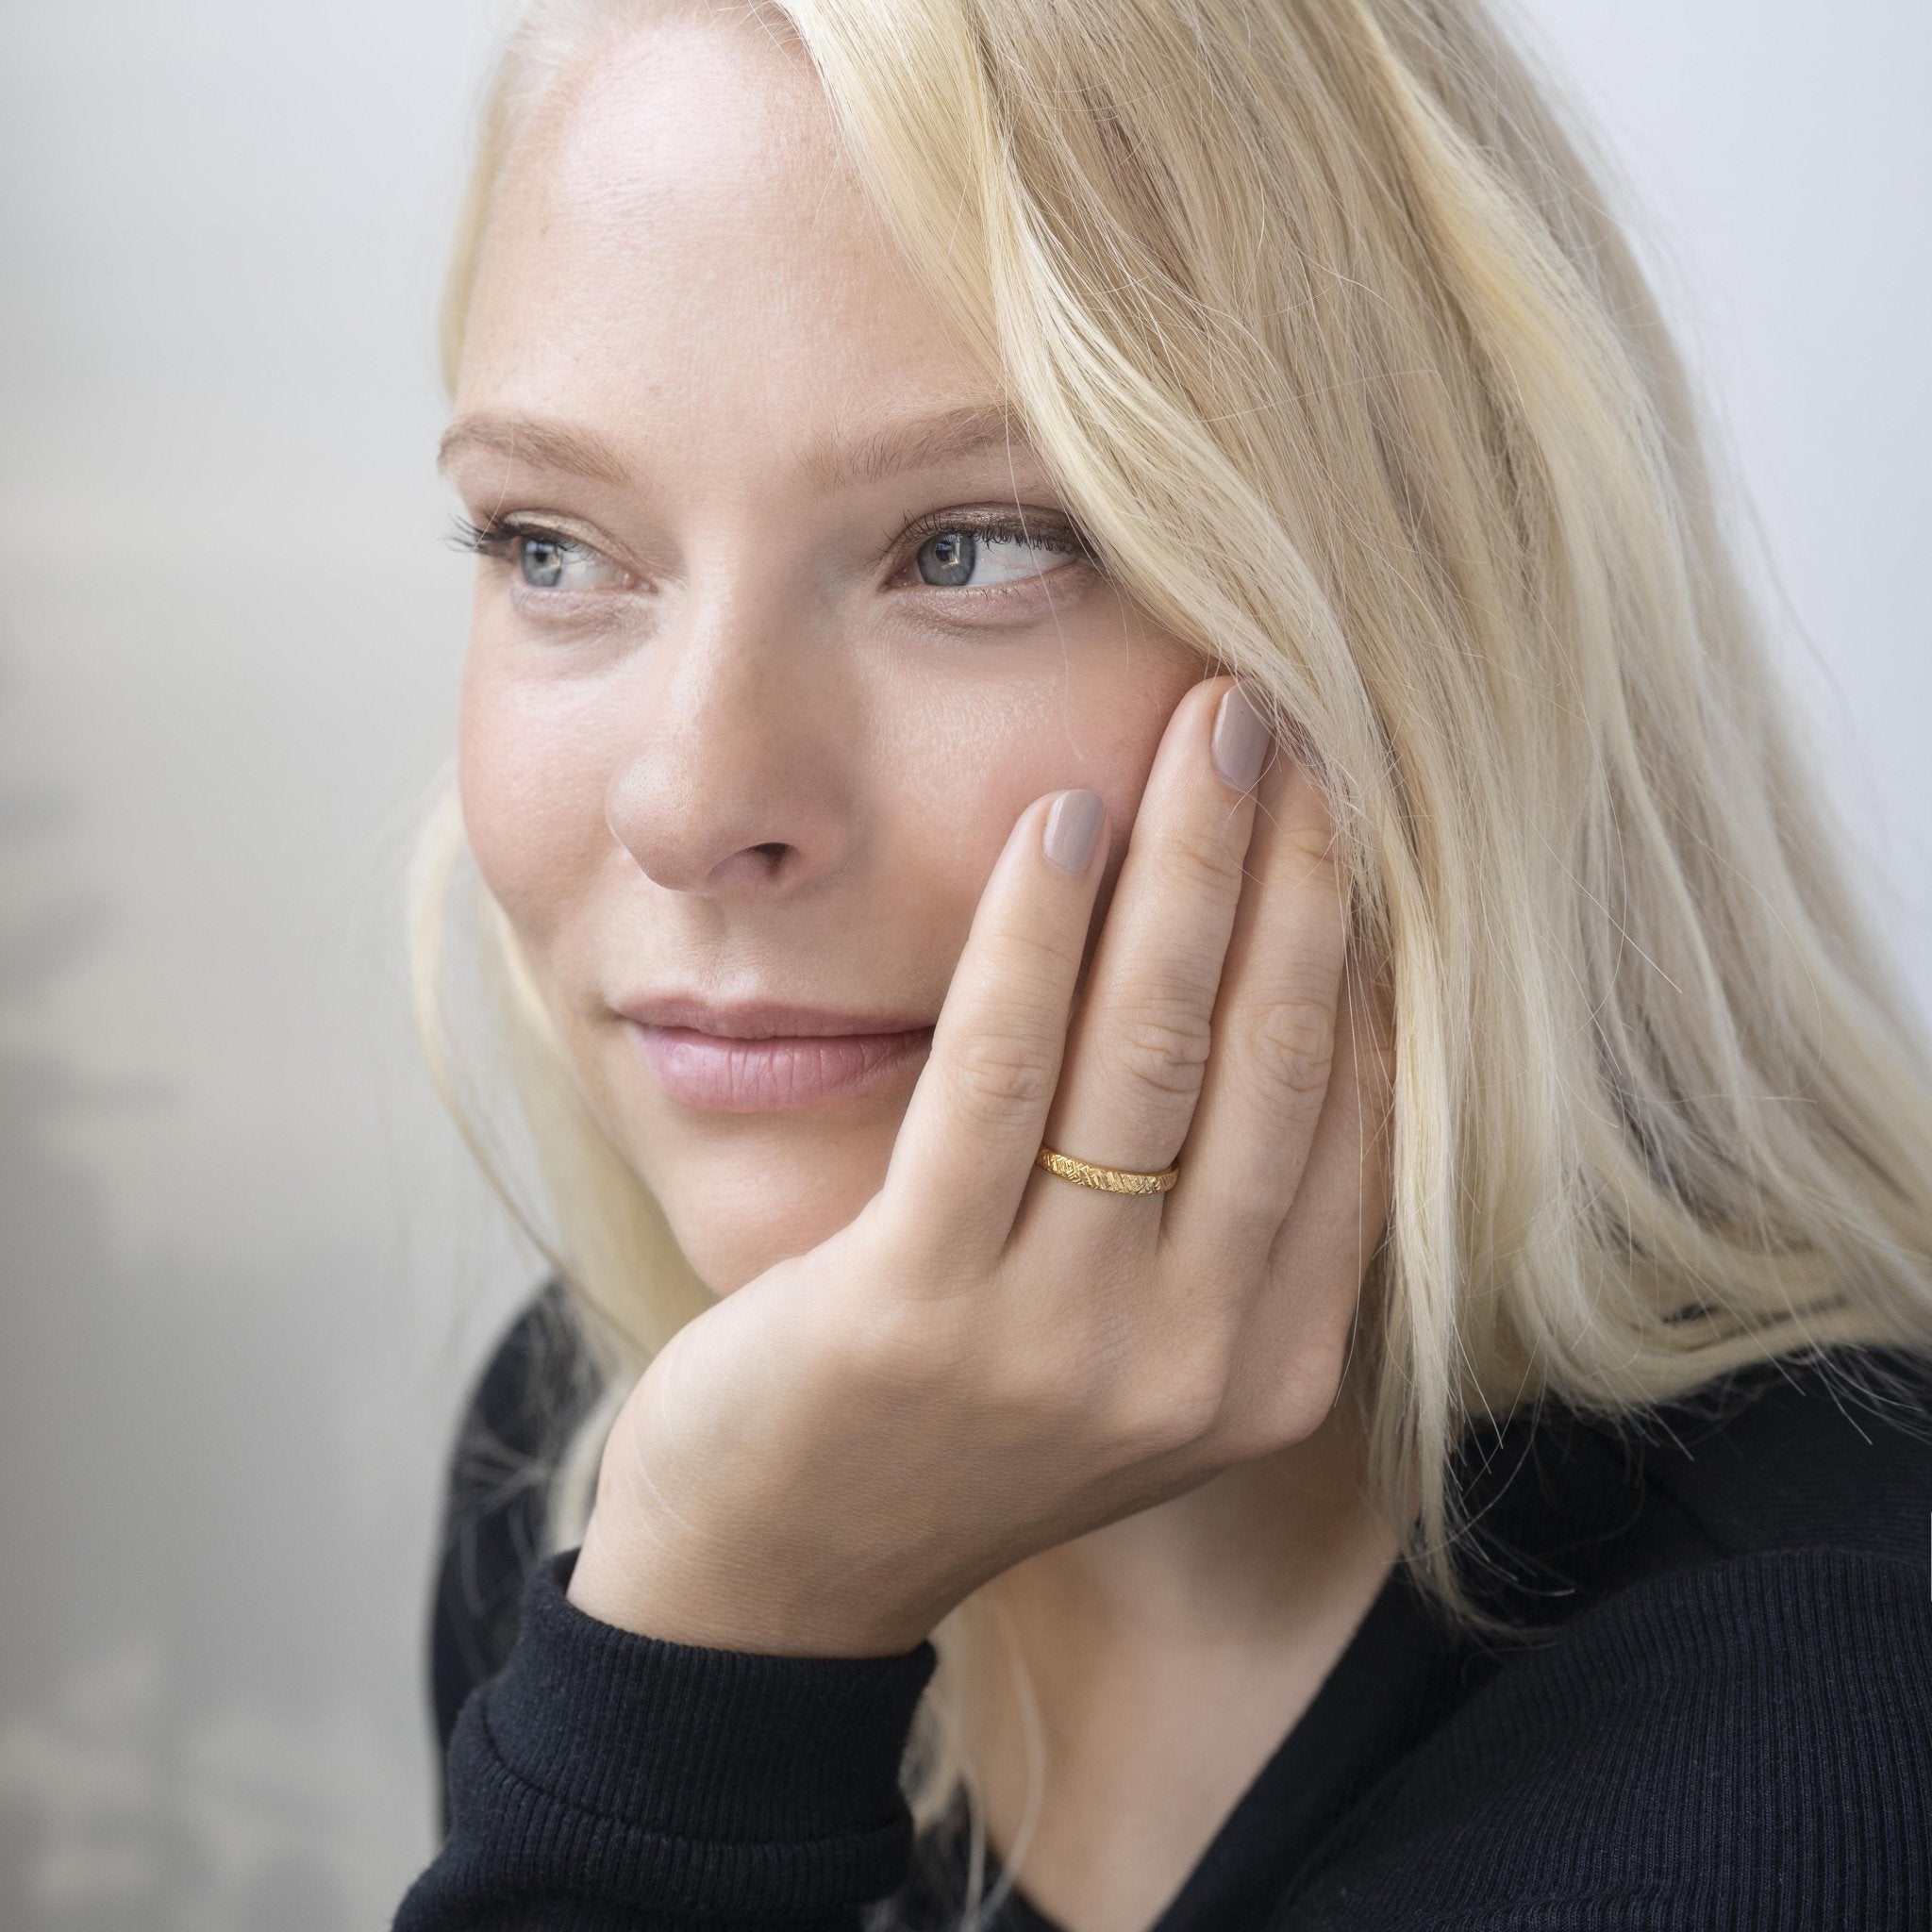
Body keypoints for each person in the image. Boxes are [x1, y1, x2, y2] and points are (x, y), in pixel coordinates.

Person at [394, 0, 1932, 1926]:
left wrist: (703, 1693)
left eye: (973, 548)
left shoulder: (1823, 1746)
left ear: (1427, 633)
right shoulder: (635, 1474)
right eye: (551, 547)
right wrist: (705, 1642)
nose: (695, 802)